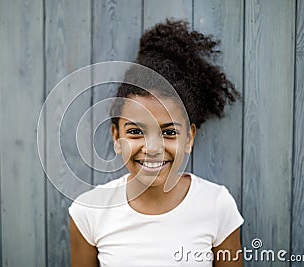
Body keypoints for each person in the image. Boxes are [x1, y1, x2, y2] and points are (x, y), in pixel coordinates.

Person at [69, 20, 244, 266]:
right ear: (116, 138)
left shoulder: (217, 206)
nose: (152, 148)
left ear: (189, 138)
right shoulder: (88, 212)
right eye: (135, 132)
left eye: (169, 132)